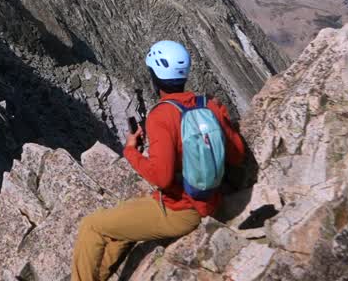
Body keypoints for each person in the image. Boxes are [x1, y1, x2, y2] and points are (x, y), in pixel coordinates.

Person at [70, 40, 246, 281]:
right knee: (121, 224)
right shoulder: (210, 105)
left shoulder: (161, 115)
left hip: (181, 211)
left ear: (154, 76)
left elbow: (162, 178)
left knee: (91, 226)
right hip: (210, 200)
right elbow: (237, 154)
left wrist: (132, 152)